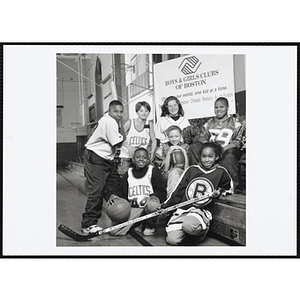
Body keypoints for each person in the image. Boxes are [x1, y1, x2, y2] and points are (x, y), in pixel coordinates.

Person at [159, 142, 234, 246]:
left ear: (216, 157)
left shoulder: (221, 172)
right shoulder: (191, 170)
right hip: (184, 209)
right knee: (172, 240)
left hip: (200, 210)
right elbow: (178, 190)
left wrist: (219, 191)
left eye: (210, 156)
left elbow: (229, 188)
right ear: (200, 157)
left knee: (190, 226)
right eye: (204, 156)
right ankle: (188, 232)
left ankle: (198, 234)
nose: (207, 159)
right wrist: (166, 206)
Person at [81, 100, 125, 234]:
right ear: (109, 111)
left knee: (114, 187)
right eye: (115, 111)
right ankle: (88, 224)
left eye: (121, 112)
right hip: (95, 157)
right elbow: (118, 142)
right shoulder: (108, 121)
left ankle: (119, 217)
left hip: (107, 159)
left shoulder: (112, 121)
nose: (118, 114)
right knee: (97, 189)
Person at [189, 97, 245, 191]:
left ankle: (233, 187)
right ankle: (197, 178)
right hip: (211, 149)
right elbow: (202, 136)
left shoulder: (236, 123)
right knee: (194, 147)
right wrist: (207, 144)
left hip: (227, 149)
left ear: (227, 107)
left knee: (229, 156)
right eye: (216, 107)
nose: (218, 110)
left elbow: (238, 141)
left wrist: (223, 149)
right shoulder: (209, 123)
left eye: (221, 107)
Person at [109, 147, 166, 236]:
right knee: (114, 231)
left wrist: (156, 196)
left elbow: (162, 191)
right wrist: (114, 196)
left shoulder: (153, 171)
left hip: (148, 207)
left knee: (153, 204)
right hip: (134, 209)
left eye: (144, 157)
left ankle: (150, 225)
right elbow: (121, 192)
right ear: (133, 159)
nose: (141, 159)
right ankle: (139, 223)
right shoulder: (128, 173)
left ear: (148, 160)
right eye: (138, 157)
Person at [118, 101, 156, 176]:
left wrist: (152, 152)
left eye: (146, 111)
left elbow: (154, 140)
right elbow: (119, 137)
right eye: (141, 111)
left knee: (144, 177)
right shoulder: (130, 122)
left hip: (141, 158)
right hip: (127, 157)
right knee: (125, 178)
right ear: (137, 112)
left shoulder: (149, 124)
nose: (144, 113)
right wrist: (129, 148)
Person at [161, 125, 189, 197]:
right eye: (171, 137)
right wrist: (169, 152)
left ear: (180, 136)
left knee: (175, 172)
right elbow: (165, 169)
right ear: (168, 137)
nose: (174, 139)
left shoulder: (185, 146)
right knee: (173, 172)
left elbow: (186, 169)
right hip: (169, 173)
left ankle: (172, 198)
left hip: (182, 173)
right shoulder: (165, 147)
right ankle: (171, 197)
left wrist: (184, 152)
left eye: (176, 136)